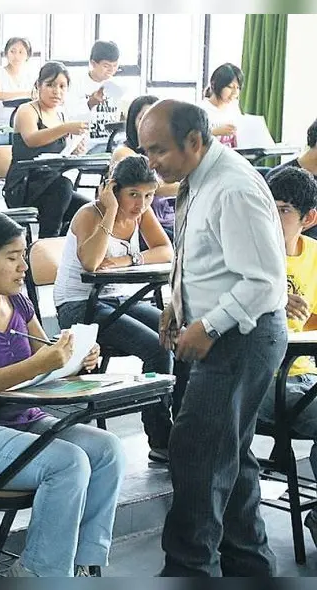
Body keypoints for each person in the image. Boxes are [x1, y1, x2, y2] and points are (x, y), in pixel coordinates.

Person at [139, 99, 289, 577]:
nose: (151, 163)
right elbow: (209, 262)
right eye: (145, 151)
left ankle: (188, 569)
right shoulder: (199, 181)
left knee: (196, 450)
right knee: (229, 453)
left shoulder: (233, 187)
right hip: (225, 331)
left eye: (158, 150)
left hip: (242, 337)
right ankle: (249, 566)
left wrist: (209, 324)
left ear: (195, 141)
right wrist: (177, 308)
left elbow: (264, 280)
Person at [0, 210, 118, 576]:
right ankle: (38, 574)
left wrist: (74, 358)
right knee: (67, 462)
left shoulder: (17, 304)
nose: (23, 268)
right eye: (12, 258)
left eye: (24, 256)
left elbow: (45, 362)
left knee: (106, 450)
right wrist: (39, 363)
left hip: (20, 420)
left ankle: (83, 565)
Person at [53, 155, 175, 461]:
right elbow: (91, 263)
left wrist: (127, 260)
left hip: (119, 300)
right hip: (79, 305)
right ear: (113, 189)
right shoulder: (89, 213)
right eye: (133, 194)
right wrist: (108, 210)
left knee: (176, 334)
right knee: (157, 348)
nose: (141, 204)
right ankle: (161, 439)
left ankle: (182, 424)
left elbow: (165, 250)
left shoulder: (141, 214)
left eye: (148, 195)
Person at [257, 166, 317, 549]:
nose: (269, 219)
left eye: (281, 211)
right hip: (265, 381)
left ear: (309, 218)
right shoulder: (248, 258)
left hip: (307, 375)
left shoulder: (314, 257)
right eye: (265, 207)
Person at [5, 61, 91, 238]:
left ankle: (60, 247)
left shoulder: (61, 114)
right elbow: (31, 140)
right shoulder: (27, 110)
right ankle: (46, 245)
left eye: (62, 86)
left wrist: (76, 149)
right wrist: (65, 128)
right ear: (38, 85)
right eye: (50, 85)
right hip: (24, 184)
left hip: (51, 183)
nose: (56, 91)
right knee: (63, 187)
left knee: (90, 210)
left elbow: (62, 152)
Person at [111, 95, 178, 240]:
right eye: (143, 118)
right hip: (139, 221)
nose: (150, 124)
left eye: (156, 119)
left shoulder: (168, 151)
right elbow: (154, 186)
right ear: (132, 122)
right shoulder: (123, 152)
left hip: (170, 218)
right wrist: (190, 185)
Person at [65, 40, 122, 154]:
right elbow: (68, 116)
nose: (111, 70)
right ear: (93, 63)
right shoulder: (76, 84)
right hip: (86, 144)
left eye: (115, 65)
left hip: (112, 142)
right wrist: (90, 104)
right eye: (106, 66)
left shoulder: (116, 86)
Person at [0, 37, 35, 134]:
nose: (16, 56)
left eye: (21, 52)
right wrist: (25, 93)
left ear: (27, 56)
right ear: (6, 53)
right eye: (12, 51)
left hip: (22, 125)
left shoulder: (29, 76)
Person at [200, 63, 244, 148]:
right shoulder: (201, 110)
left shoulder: (234, 108)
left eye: (238, 88)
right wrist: (214, 132)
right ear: (214, 84)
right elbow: (191, 140)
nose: (235, 93)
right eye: (230, 87)